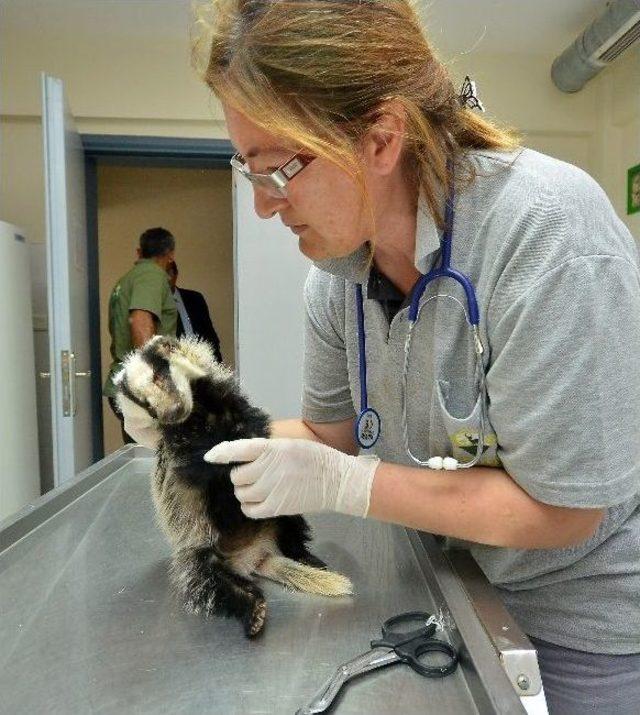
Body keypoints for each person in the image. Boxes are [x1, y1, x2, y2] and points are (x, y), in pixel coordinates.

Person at [124, 2, 640, 712]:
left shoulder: (548, 239)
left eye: (279, 170)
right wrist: (195, 433)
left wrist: (350, 486)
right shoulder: (337, 280)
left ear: (381, 137)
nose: (264, 207)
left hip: (582, 625)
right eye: (250, 171)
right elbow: (329, 437)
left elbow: (566, 511)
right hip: (454, 586)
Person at [103, 227, 178, 443]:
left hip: (126, 381)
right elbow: (140, 320)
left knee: (144, 457)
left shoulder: (128, 279)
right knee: (155, 462)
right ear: (171, 254)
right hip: (141, 386)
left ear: (139, 252)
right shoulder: (152, 275)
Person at [166, 261, 223, 362]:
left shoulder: (195, 298)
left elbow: (210, 335)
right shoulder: (151, 306)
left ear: (175, 274)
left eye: (169, 272)